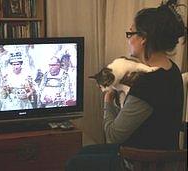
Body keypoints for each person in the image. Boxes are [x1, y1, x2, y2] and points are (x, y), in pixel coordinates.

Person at [66, 0, 186, 170]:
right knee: (81, 153)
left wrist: (107, 100)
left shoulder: (147, 83)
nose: (128, 39)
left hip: (143, 162)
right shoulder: (171, 69)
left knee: (75, 163)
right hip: (163, 157)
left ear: (143, 38)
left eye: (130, 33)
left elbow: (113, 136)